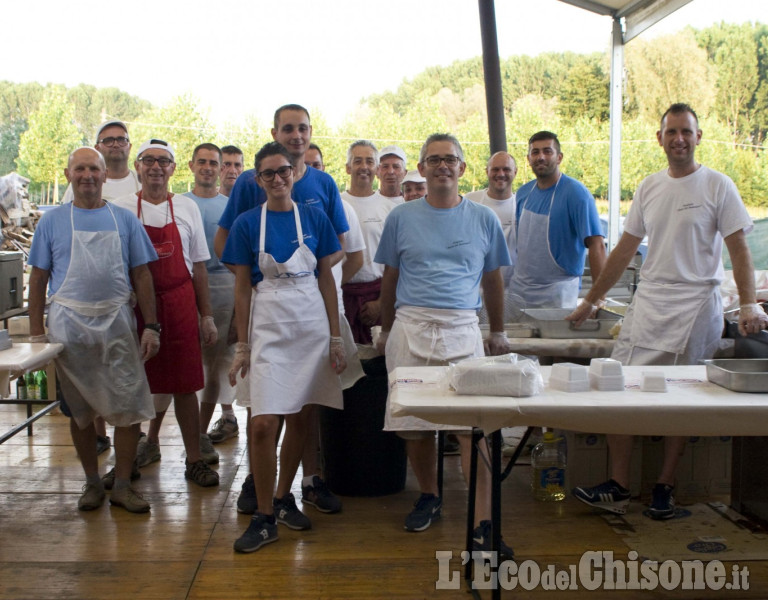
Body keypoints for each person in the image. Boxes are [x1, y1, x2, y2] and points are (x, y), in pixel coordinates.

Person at [569, 103, 768, 519]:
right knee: (614, 383)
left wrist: (749, 304)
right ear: (659, 138)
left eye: (686, 131)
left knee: (684, 397)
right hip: (650, 302)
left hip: (697, 305)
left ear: (698, 137)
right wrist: (592, 300)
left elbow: (739, 251)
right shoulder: (649, 187)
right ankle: (619, 485)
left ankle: (665, 487)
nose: (679, 138)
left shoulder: (718, 186)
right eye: (671, 131)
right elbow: (624, 251)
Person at [374, 133, 514, 558]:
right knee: (414, 427)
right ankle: (429, 495)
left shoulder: (484, 219)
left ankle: (483, 522)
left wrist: (498, 330)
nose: (441, 166)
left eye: (449, 159)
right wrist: (384, 330)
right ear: (421, 168)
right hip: (411, 325)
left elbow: (493, 280)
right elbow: (390, 279)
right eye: (433, 159)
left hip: (462, 329)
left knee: (475, 431)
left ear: (462, 168)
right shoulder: (401, 218)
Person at [213, 105, 350, 516]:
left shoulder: (320, 196)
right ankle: (260, 486)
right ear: (258, 179)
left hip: (309, 320)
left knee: (304, 412)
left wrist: (334, 334)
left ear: (297, 169)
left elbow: (330, 263)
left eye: (284, 172)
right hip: (267, 316)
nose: (277, 178)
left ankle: (293, 490)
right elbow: (235, 267)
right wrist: (244, 335)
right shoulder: (246, 217)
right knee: (264, 416)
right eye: (269, 174)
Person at [28, 147, 160, 513]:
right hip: (69, 330)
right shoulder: (52, 221)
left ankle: (121, 484)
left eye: (94, 169)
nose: (87, 175)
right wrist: (37, 337)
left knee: (129, 407)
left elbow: (142, 274)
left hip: (118, 325)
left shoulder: (124, 220)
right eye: (80, 168)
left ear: (105, 176)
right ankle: (90, 483)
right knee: (81, 413)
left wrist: (151, 326)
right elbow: (38, 279)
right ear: (69, 174)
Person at [113, 139, 220, 487]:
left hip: (180, 305)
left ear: (174, 168)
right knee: (133, 387)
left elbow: (200, 268)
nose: (156, 167)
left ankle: (194, 460)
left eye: (164, 161)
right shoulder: (122, 209)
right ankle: (127, 464)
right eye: (148, 160)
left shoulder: (187, 208)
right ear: (138, 166)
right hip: (137, 309)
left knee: (185, 386)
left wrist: (206, 315)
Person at [62, 119, 141, 456]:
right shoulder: (65, 207)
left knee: (124, 386)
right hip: (75, 310)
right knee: (85, 382)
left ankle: (128, 463)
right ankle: (96, 437)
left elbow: (142, 266)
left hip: (123, 302)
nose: (114, 144)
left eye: (120, 139)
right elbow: (43, 270)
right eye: (106, 140)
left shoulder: (137, 184)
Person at [507, 131, 605, 314]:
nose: (541, 157)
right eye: (535, 152)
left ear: (559, 157)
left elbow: (597, 246)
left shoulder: (576, 194)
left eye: (547, 151)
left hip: (557, 295)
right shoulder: (523, 193)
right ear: (528, 159)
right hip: (520, 292)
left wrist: (598, 298)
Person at [184, 143, 237, 463]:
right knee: (184, 367)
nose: (207, 167)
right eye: (201, 161)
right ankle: (152, 437)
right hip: (183, 291)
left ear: (221, 169)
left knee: (217, 366)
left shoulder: (229, 208)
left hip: (224, 289)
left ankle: (201, 434)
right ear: (190, 166)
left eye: (212, 163)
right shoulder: (178, 204)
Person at [204, 144, 244, 444]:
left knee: (232, 354)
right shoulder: (190, 203)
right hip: (201, 286)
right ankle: (221, 417)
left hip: (236, 285)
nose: (231, 170)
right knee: (207, 359)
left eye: (236, 165)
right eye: (226, 164)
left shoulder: (245, 206)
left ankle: (233, 414)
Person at [341, 140, 399, 344]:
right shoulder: (336, 205)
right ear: (348, 168)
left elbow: (397, 263)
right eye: (358, 161)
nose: (364, 167)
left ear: (376, 168)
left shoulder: (390, 209)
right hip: (343, 295)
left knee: (378, 363)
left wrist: (381, 303)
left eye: (369, 161)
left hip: (379, 294)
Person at [465, 152, 518, 289]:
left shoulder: (522, 204)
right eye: (495, 169)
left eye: (506, 169)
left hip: (513, 288)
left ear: (515, 172)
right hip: (475, 288)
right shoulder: (469, 201)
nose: (500, 174)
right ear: (487, 171)